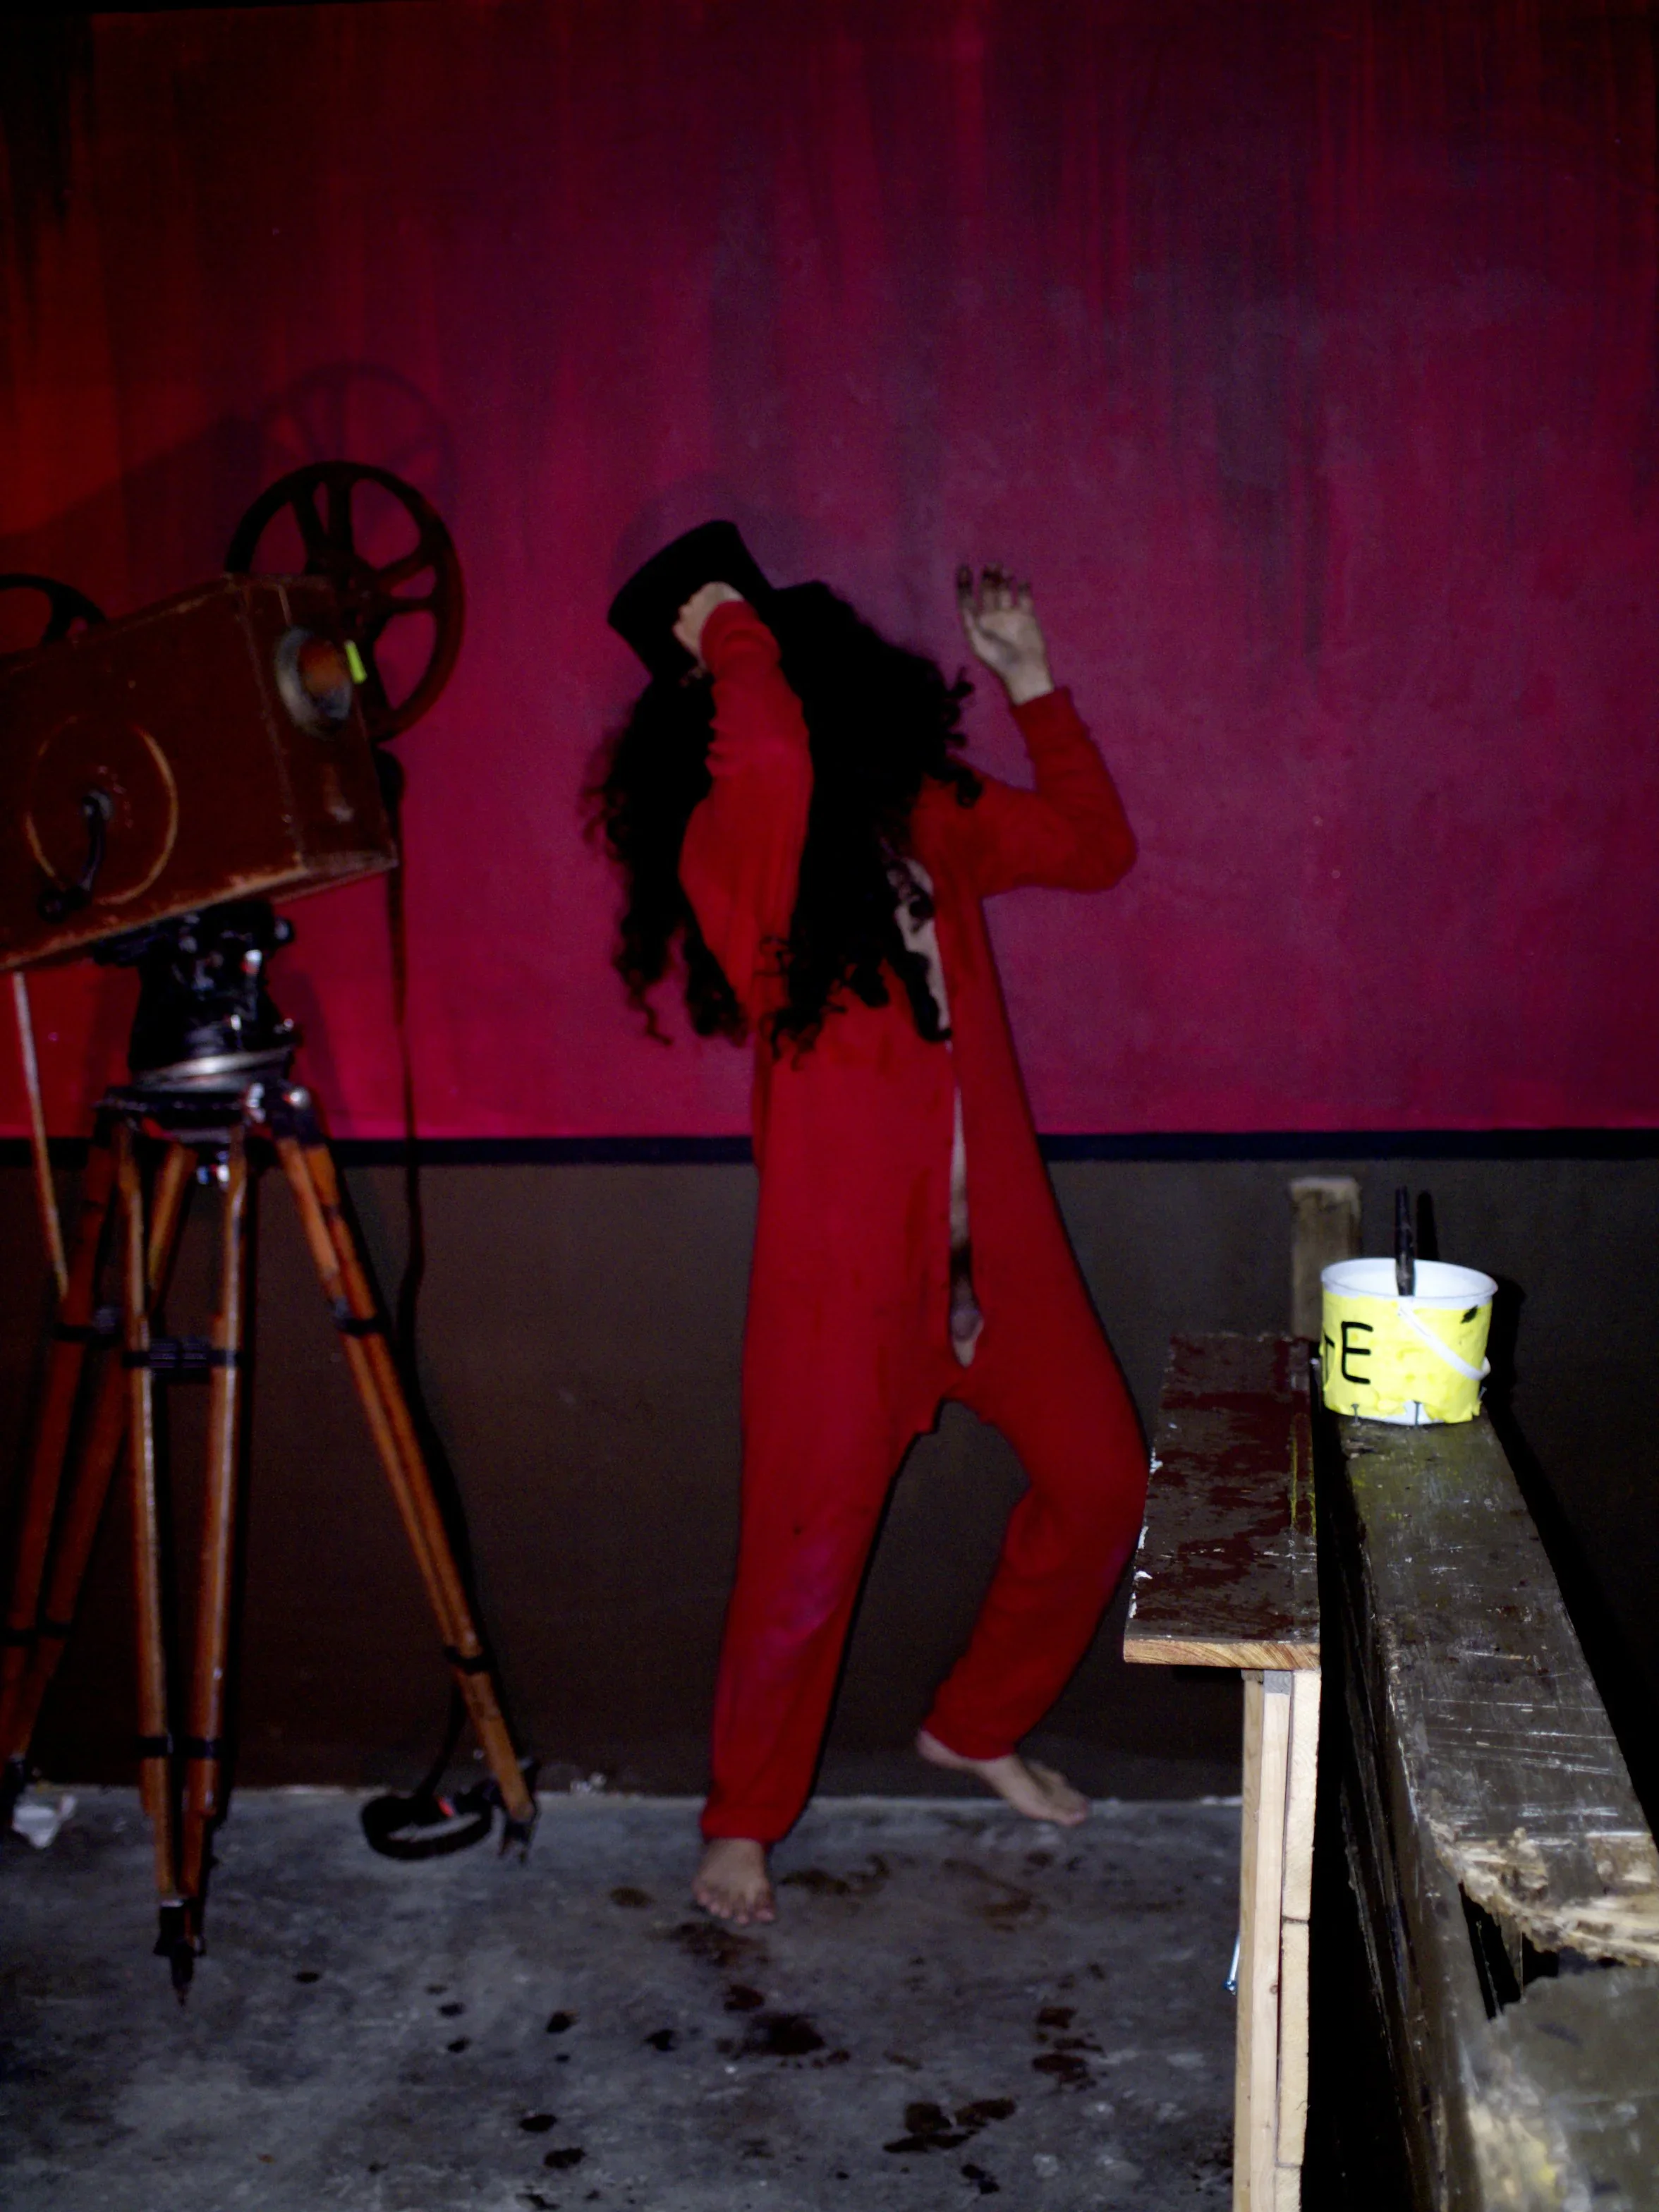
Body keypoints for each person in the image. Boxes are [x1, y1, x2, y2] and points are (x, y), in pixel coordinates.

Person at [593, 523, 1146, 1925]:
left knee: (1105, 1481)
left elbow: (1094, 848)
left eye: (769, 646)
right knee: (800, 1559)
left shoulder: (924, 812)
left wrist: (1030, 676)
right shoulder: (743, 851)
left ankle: (975, 1721)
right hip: (841, 1286)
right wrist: (724, 614)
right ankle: (743, 1819)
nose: (764, 677)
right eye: (735, 661)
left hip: (1000, 1258)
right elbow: (769, 754)